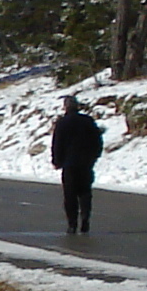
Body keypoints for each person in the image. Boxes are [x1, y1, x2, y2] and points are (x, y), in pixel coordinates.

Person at [49, 95, 104, 234]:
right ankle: (85, 218)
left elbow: (57, 143)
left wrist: (57, 160)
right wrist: (94, 157)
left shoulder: (62, 123)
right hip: (86, 163)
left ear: (66, 107)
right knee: (85, 192)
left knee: (70, 195)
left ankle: (72, 224)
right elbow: (97, 141)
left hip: (69, 164)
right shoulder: (88, 121)